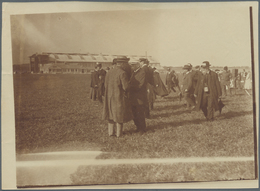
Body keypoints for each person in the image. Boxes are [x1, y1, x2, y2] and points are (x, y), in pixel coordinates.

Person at [102, 56, 133, 138]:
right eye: (126, 63)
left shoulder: (109, 72)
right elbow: (126, 87)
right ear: (122, 64)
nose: (127, 65)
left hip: (109, 97)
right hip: (119, 97)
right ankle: (119, 134)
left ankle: (110, 133)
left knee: (110, 115)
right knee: (119, 115)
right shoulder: (122, 73)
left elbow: (105, 85)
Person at [128, 58, 151, 133]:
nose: (132, 67)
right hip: (134, 97)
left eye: (133, 65)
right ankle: (138, 127)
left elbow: (140, 85)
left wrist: (129, 87)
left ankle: (142, 128)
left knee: (140, 113)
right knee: (134, 114)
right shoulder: (134, 72)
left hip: (140, 97)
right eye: (131, 65)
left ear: (137, 65)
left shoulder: (142, 72)